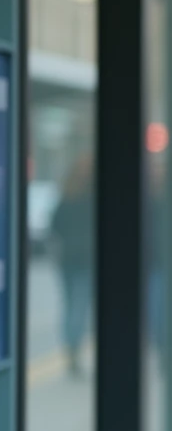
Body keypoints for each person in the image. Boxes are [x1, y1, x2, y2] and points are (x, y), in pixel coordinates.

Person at [50, 153, 94, 377]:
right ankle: (73, 349)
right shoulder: (91, 196)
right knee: (78, 306)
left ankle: (71, 349)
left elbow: (55, 225)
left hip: (68, 259)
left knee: (70, 305)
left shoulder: (67, 195)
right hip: (84, 260)